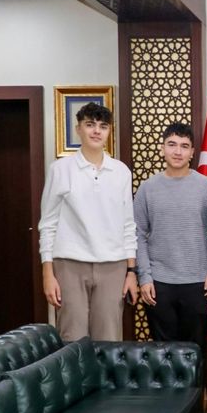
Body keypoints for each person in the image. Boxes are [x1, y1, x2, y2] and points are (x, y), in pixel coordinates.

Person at [133, 122, 207, 413]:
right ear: (163, 148)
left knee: (194, 351)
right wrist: (144, 276)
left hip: (198, 282)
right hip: (160, 283)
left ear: (193, 151)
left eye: (183, 145)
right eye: (172, 144)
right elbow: (138, 234)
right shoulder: (148, 188)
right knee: (164, 353)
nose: (177, 151)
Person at [38, 102, 138, 342]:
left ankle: (102, 382)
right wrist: (47, 273)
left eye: (103, 126)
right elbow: (48, 223)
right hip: (69, 264)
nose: (96, 131)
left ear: (108, 132)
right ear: (78, 129)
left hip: (113, 265)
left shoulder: (121, 171)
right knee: (72, 340)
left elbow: (128, 224)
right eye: (90, 124)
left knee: (109, 341)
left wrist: (131, 271)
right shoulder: (60, 169)